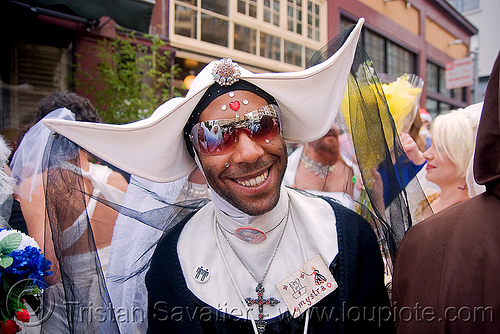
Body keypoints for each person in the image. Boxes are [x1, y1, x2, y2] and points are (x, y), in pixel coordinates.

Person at [41, 18, 426, 333]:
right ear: (194, 153)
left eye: (261, 126)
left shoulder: (347, 236)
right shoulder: (172, 262)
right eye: (217, 136)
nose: (249, 152)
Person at [392, 50, 500, 333]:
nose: (428, 154)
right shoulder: (431, 198)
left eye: (439, 149)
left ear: (464, 158)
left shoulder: (469, 223)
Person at [9, 91, 129, 333]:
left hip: (67, 311)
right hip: (118, 304)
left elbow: (49, 272)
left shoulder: (38, 188)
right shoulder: (115, 179)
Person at [400, 103, 484, 213]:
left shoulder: (469, 215)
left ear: (465, 156)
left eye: (439, 148)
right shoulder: (427, 198)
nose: (426, 154)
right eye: (432, 145)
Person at [284, 121, 361, 210]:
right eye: (323, 122)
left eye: (334, 121)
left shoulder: (351, 171)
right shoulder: (288, 172)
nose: (331, 127)